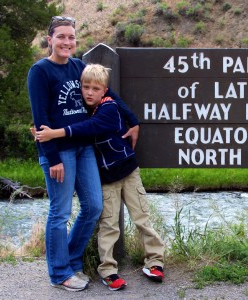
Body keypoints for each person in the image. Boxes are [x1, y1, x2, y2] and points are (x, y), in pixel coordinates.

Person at [27, 16, 139, 292]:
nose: (67, 42)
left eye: (71, 37)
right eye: (61, 36)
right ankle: (59, 273)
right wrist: (51, 157)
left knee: (93, 207)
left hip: (84, 147)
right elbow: (40, 118)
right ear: (49, 38)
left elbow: (107, 93)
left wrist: (132, 120)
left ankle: (72, 261)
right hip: (59, 152)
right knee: (60, 212)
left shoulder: (78, 66)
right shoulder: (40, 71)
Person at [35, 64, 166, 291]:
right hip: (105, 177)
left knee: (142, 217)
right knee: (108, 224)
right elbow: (72, 119)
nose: (89, 92)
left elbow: (91, 127)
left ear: (104, 90)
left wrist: (54, 133)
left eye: (96, 88)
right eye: (85, 87)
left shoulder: (109, 108)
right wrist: (43, 134)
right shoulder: (84, 108)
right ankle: (107, 269)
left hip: (128, 172)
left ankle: (155, 261)